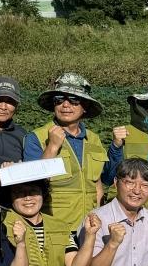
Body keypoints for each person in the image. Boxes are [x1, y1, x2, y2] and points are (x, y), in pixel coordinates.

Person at [24, 73, 108, 231]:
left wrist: (99, 215)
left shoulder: (94, 139)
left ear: (85, 107)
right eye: (59, 99)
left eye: (74, 100)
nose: (65, 105)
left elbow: (96, 184)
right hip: (54, 226)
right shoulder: (37, 137)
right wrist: (52, 147)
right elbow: (32, 183)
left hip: (89, 225)